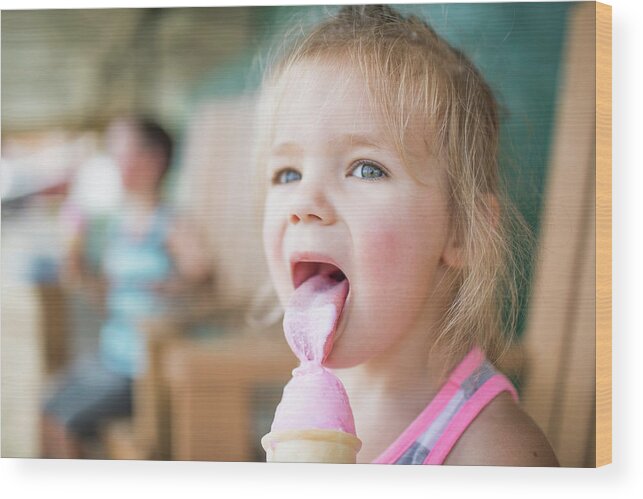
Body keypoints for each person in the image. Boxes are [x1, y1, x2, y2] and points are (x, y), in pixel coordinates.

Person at [257, 5, 559, 466]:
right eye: (287, 172)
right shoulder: (306, 400)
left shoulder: (494, 455)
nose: (303, 204)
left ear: (462, 231)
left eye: (366, 168)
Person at [41, 117, 211, 458]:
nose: (113, 160)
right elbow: (106, 301)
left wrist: (170, 287)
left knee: (64, 422)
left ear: (153, 160)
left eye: (121, 149)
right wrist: (81, 274)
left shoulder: (170, 223)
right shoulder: (118, 223)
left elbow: (204, 280)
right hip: (112, 354)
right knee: (47, 405)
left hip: (143, 368)